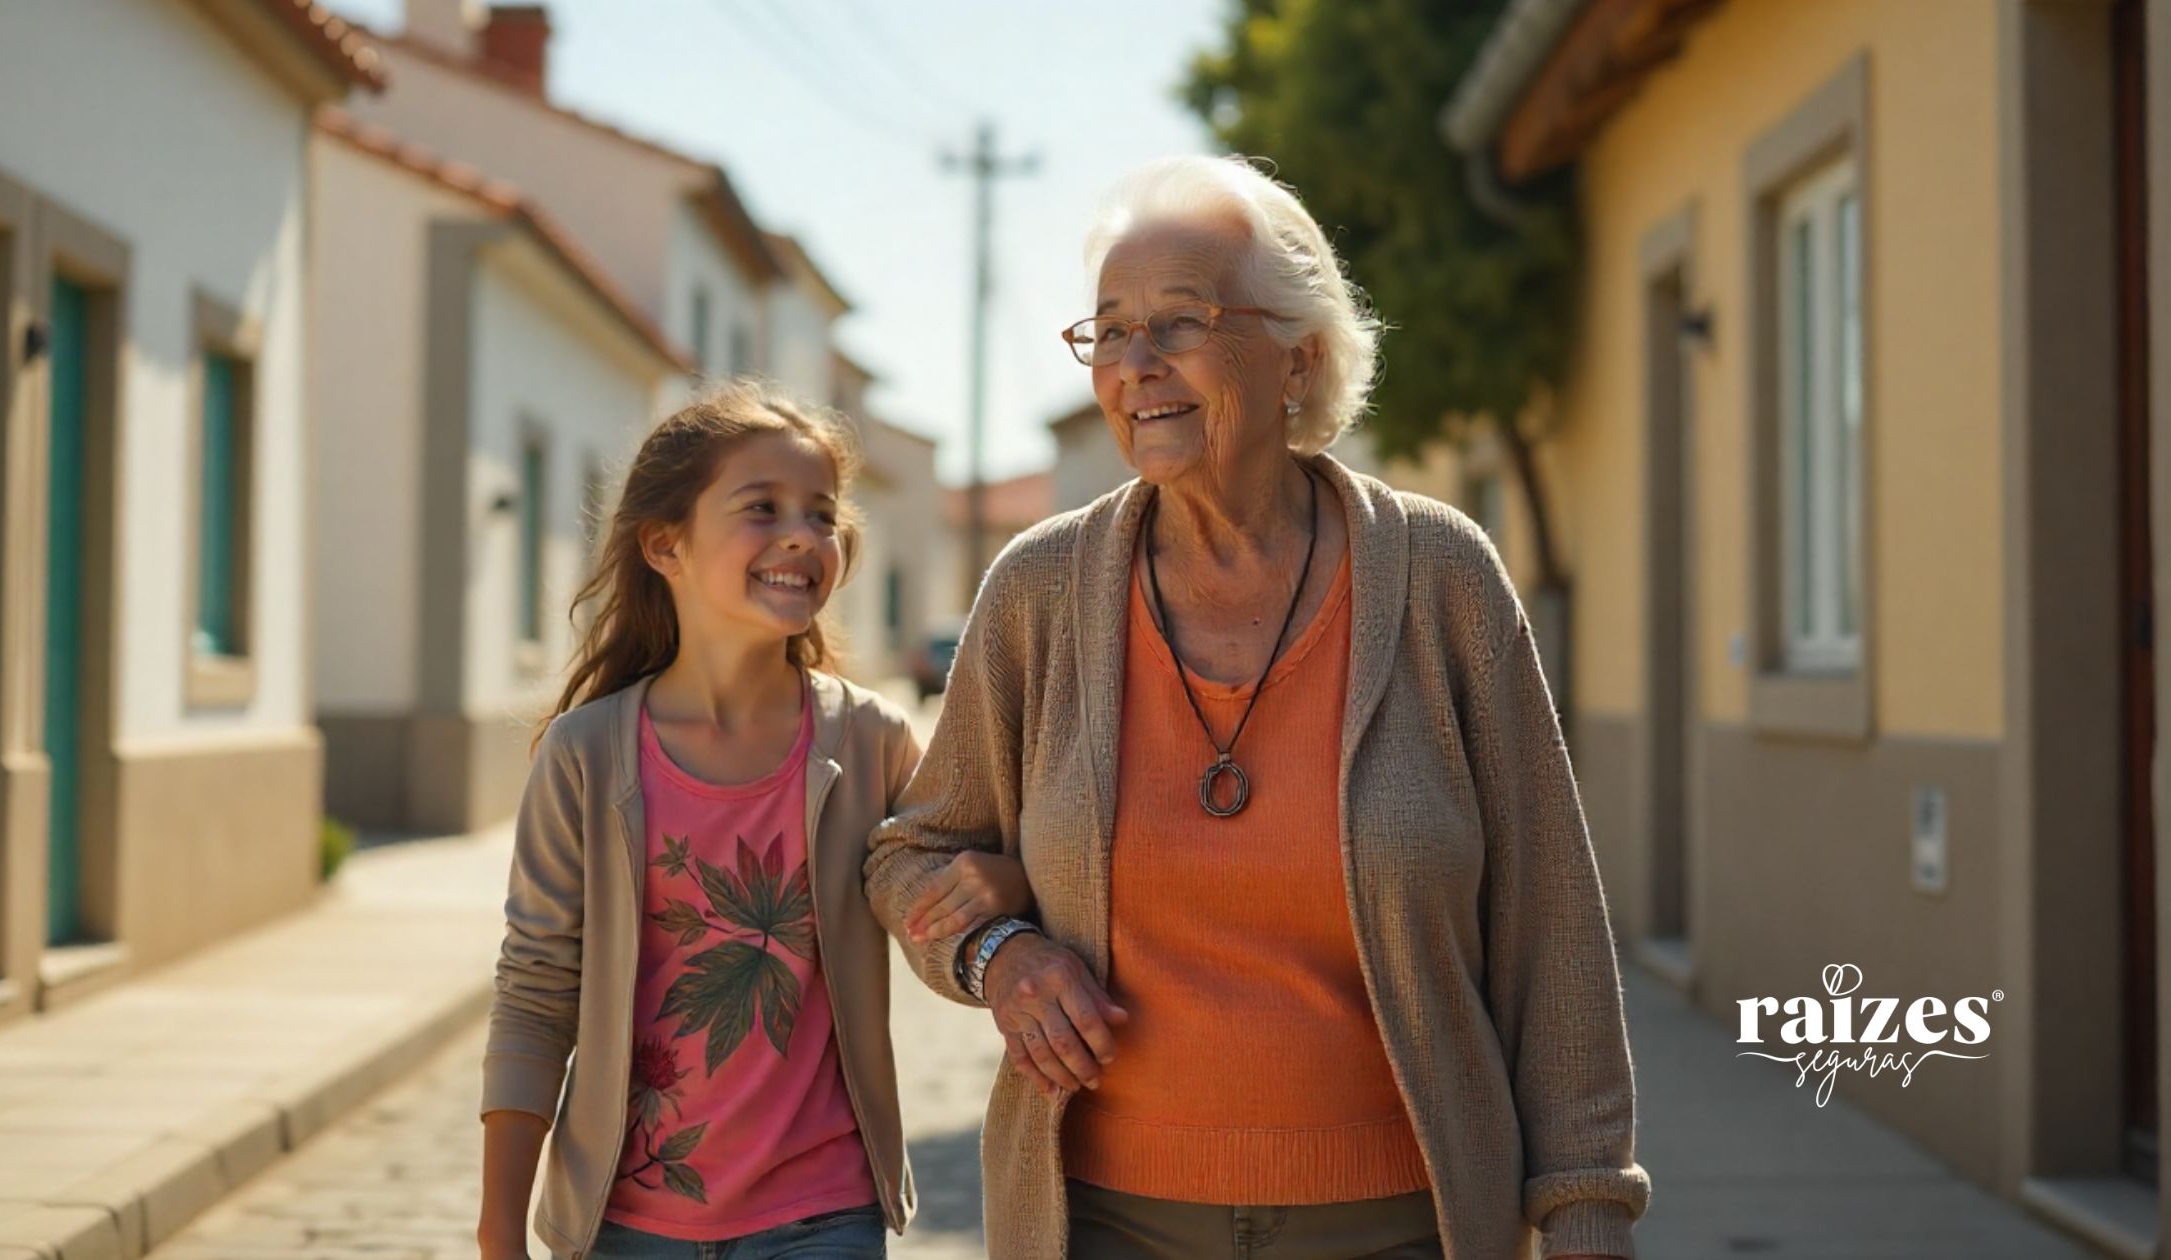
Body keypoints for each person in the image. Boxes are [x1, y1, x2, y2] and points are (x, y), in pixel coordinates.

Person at [864, 156, 1651, 1260]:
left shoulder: (1438, 579)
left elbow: (1549, 928)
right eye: (1108, 332)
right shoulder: (1038, 591)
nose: (1133, 367)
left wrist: (1583, 1219)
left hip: (1402, 1222)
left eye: (1176, 325)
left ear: (1300, 357)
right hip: (1103, 1222)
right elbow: (908, 857)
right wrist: (998, 953)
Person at [475, 380, 1032, 1260]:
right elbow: (537, 991)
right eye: (762, 509)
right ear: (666, 544)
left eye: (821, 514)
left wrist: (1005, 875)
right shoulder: (585, 757)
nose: (804, 538)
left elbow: (968, 861)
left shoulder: (870, 737)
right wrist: (500, 1223)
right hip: (626, 1226)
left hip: (824, 1213)